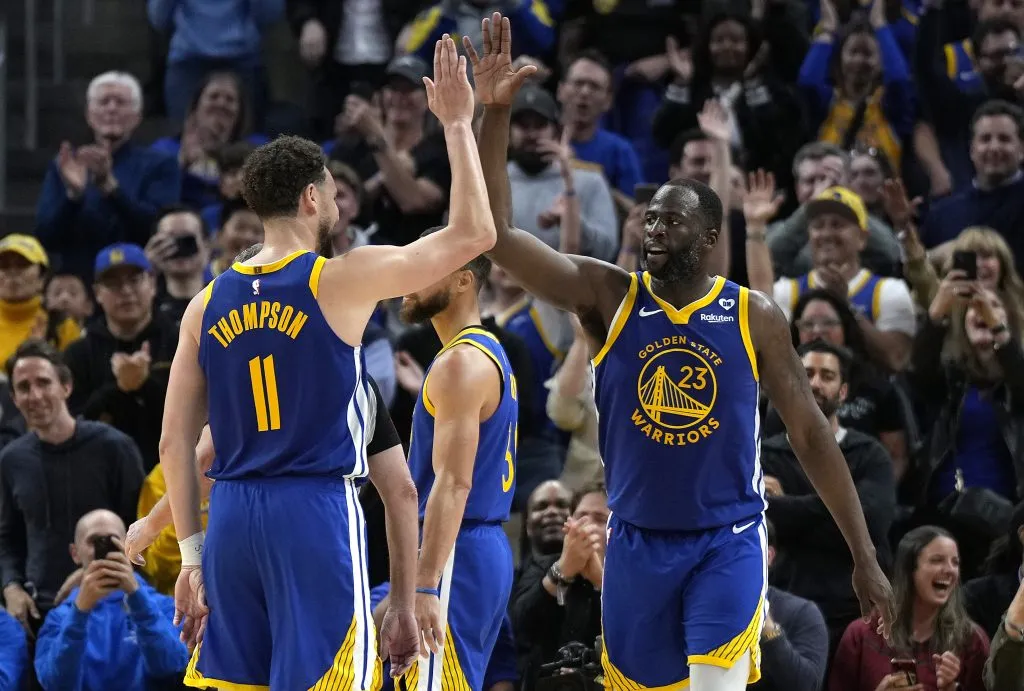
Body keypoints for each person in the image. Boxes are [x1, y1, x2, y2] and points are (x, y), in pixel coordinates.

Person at [470, 13, 894, 690]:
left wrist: (864, 555)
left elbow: (812, 435)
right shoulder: (606, 295)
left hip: (726, 538)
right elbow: (495, 234)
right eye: (651, 217)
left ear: (707, 237)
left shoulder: (753, 315)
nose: (654, 228)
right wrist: (493, 112)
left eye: (673, 219)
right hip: (635, 540)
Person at [160, 34, 496, 691]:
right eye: (333, 194)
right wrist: (457, 124)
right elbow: (474, 236)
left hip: (229, 515)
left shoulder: (205, 302)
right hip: (310, 512)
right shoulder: (340, 277)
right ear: (312, 198)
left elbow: (176, 440)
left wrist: (191, 554)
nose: (340, 206)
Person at [397, 229, 518, 691]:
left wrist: (426, 583)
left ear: (464, 279)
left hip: (456, 551)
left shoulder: (461, 363)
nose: (409, 274)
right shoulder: (481, 352)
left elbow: (453, 483)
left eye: (425, 263)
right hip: (473, 547)